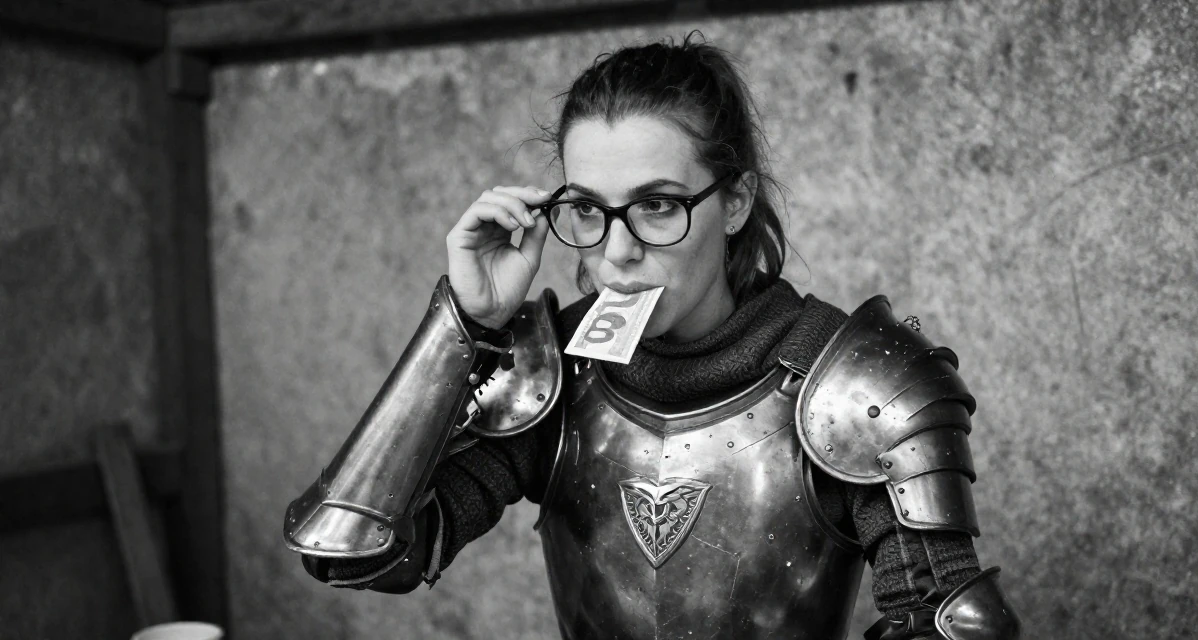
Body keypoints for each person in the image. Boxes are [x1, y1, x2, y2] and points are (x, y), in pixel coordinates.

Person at [283, 34, 1021, 640]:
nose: (617, 252)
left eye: (659, 206)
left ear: (734, 202)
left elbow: (950, 626)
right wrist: (466, 327)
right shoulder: (556, 368)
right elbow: (354, 555)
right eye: (588, 209)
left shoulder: (851, 380)